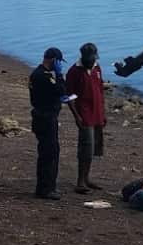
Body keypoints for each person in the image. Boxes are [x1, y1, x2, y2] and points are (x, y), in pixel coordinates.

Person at [65, 42, 106, 194]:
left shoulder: (97, 68)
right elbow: (70, 95)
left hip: (97, 113)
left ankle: (87, 178)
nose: (93, 60)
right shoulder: (74, 71)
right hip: (84, 114)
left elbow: (100, 90)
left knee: (94, 147)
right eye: (90, 58)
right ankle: (80, 181)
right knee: (86, 148)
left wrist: (103, 113)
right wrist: (76, 116)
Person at [28, 46, 68, 200]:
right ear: (53, 60)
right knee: (48, 154)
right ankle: (45, 189)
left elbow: (55, 92)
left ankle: (49, 186)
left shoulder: (38, 74)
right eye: (58, 62)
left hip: (44, 115)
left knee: (51, 152)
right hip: (45, 117)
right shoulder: (43, 76)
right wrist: (59, 74)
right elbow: (60, 90)